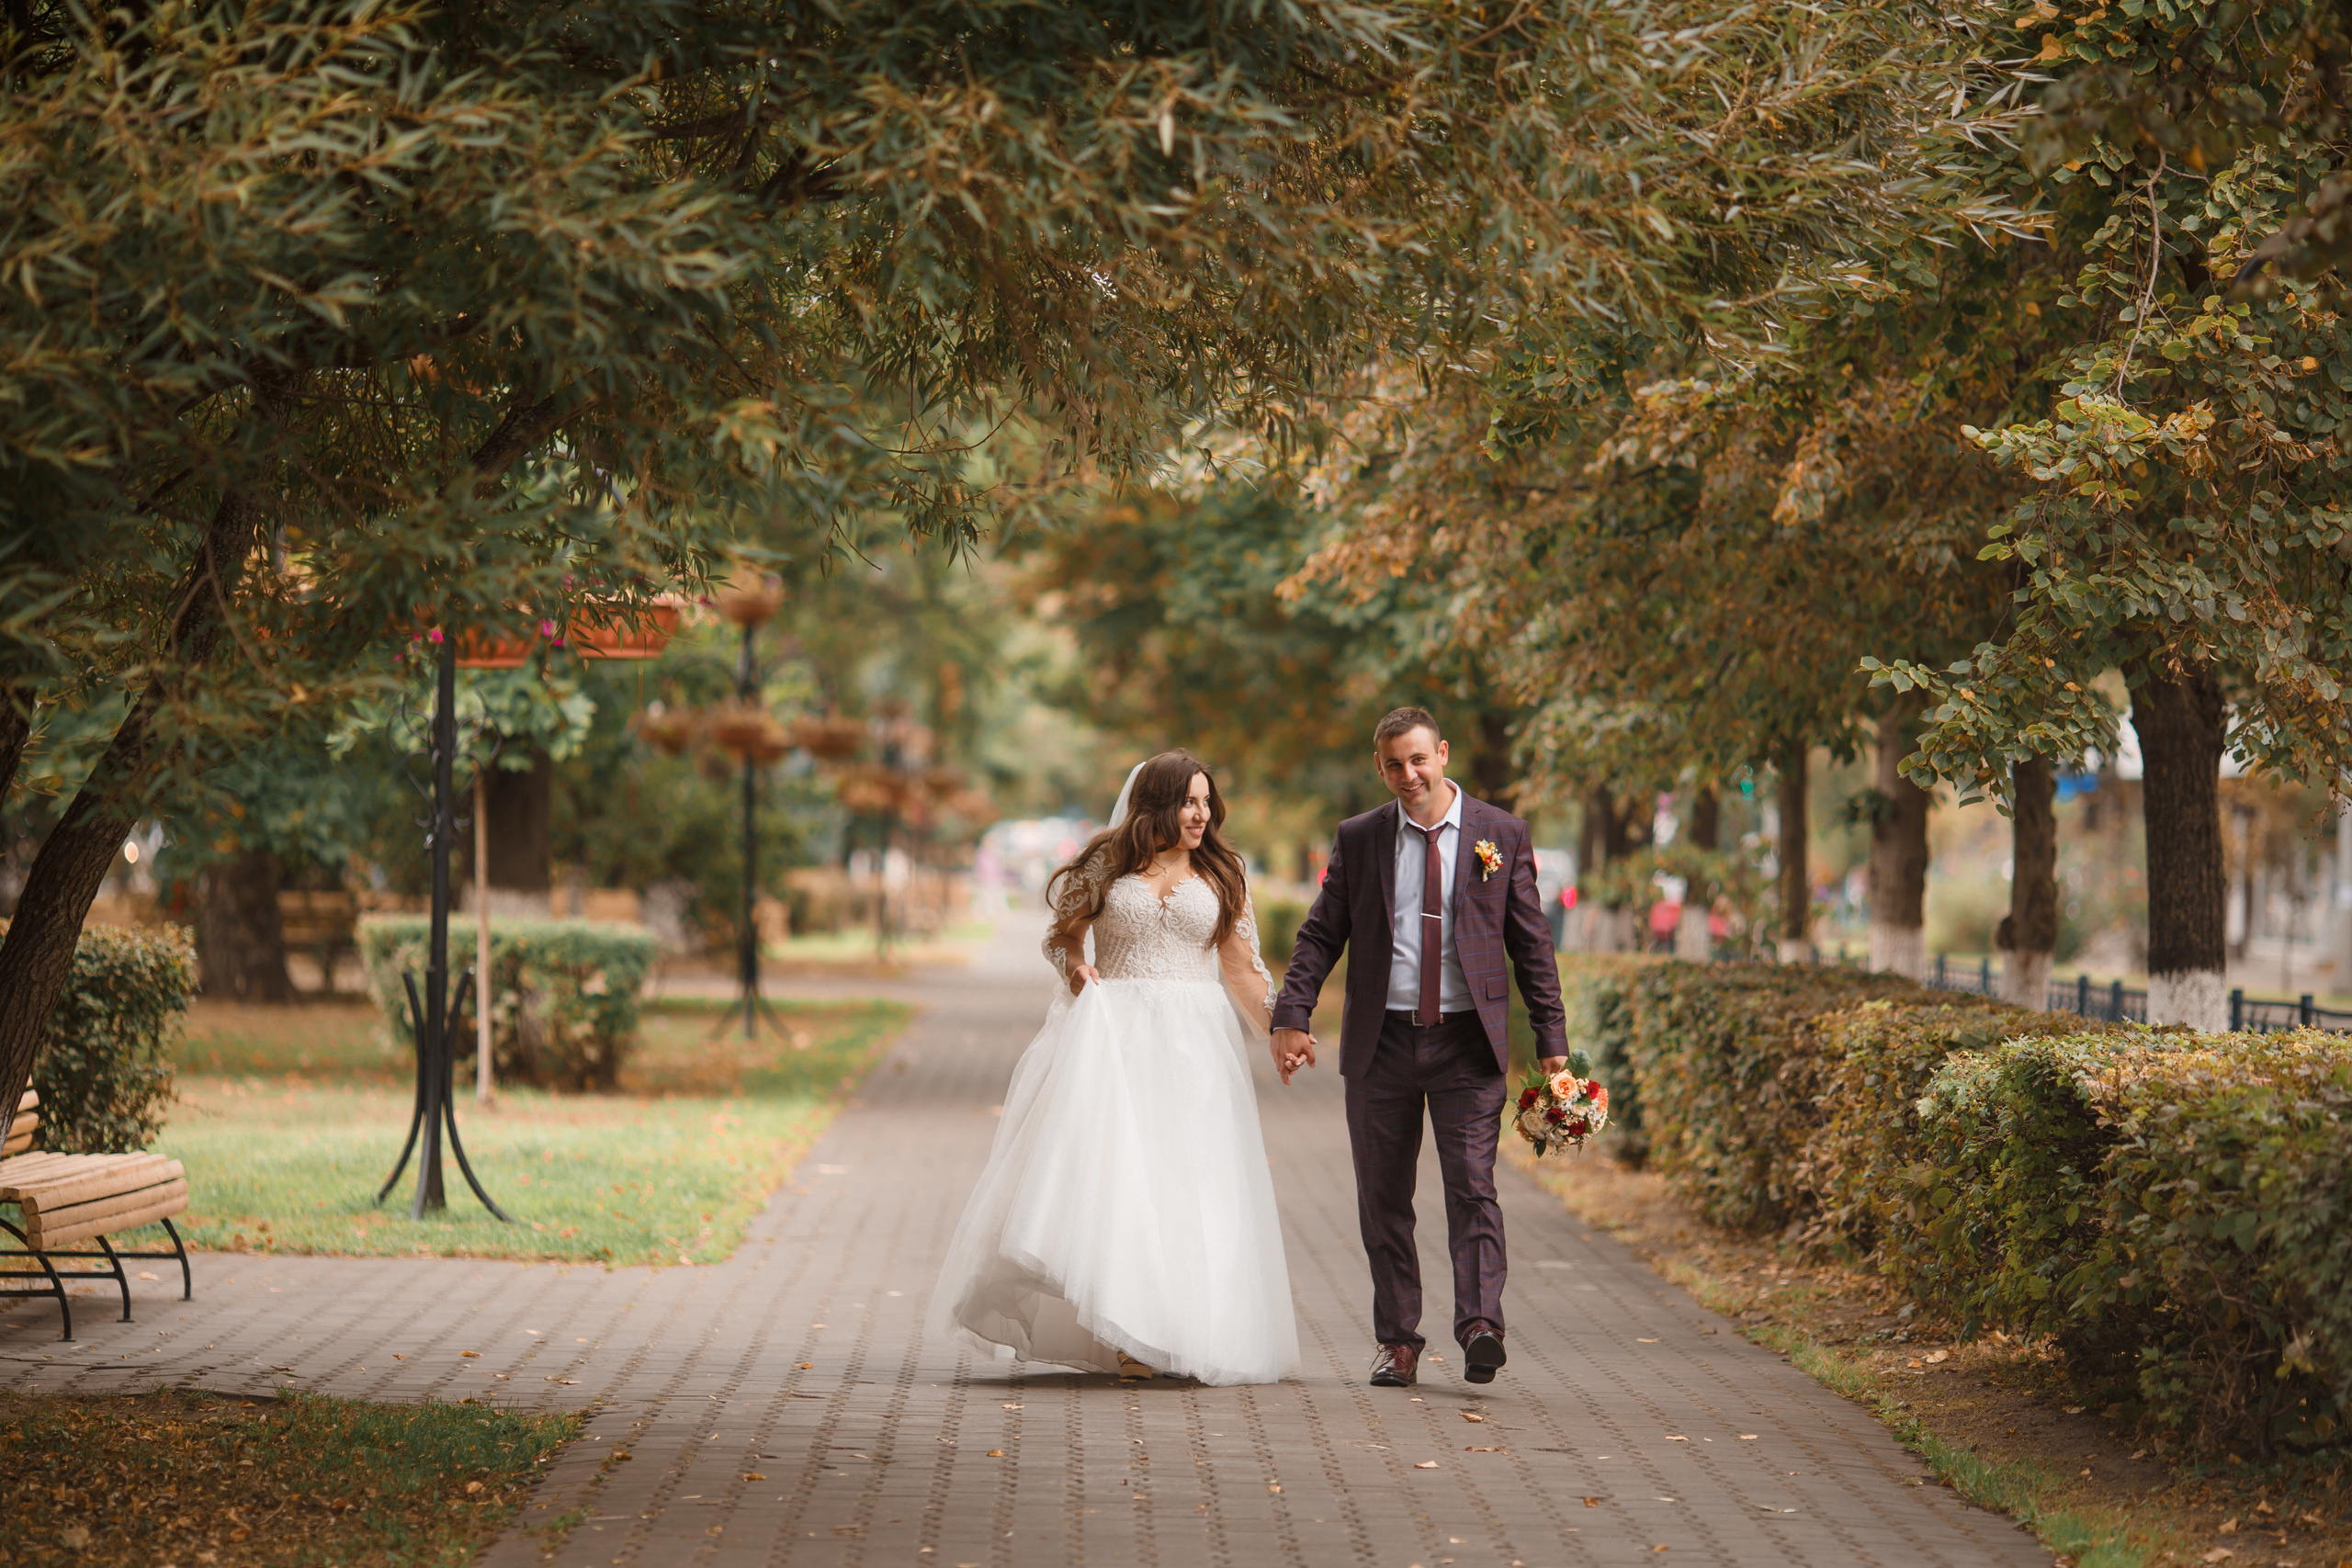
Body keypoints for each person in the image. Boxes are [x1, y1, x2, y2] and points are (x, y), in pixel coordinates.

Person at [930, 750, 1298, 1385]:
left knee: (1186, 1182)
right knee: (1122, 1177)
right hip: (1113, 1037)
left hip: (1194, 1046)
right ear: (1156, 804)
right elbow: (1061, 934)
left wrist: (1281, 1031)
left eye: (1206, 802)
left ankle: (1184, 1326)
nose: (1200, 815)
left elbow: (1242, 968)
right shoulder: (1106, 861)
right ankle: (1131, 1332)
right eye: (1188, 802)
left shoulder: (1223, 872)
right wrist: (1076, 968)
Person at [1270, 706, 1568, 1389]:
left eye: (1419, 759)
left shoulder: (1500, 834)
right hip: (1380, 1044)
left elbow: (1532, 944)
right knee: (1383, 1199)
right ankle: (1397, 1342)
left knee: (1473, 1187)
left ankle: (1481, 1326)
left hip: (1468, 1043)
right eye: (1394, 764)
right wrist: (1293, 1012)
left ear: (1443, 754)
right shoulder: (1361, 838)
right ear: (1379, 768)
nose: (1409, 774)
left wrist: (1552, 1037)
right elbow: (1321, 933)